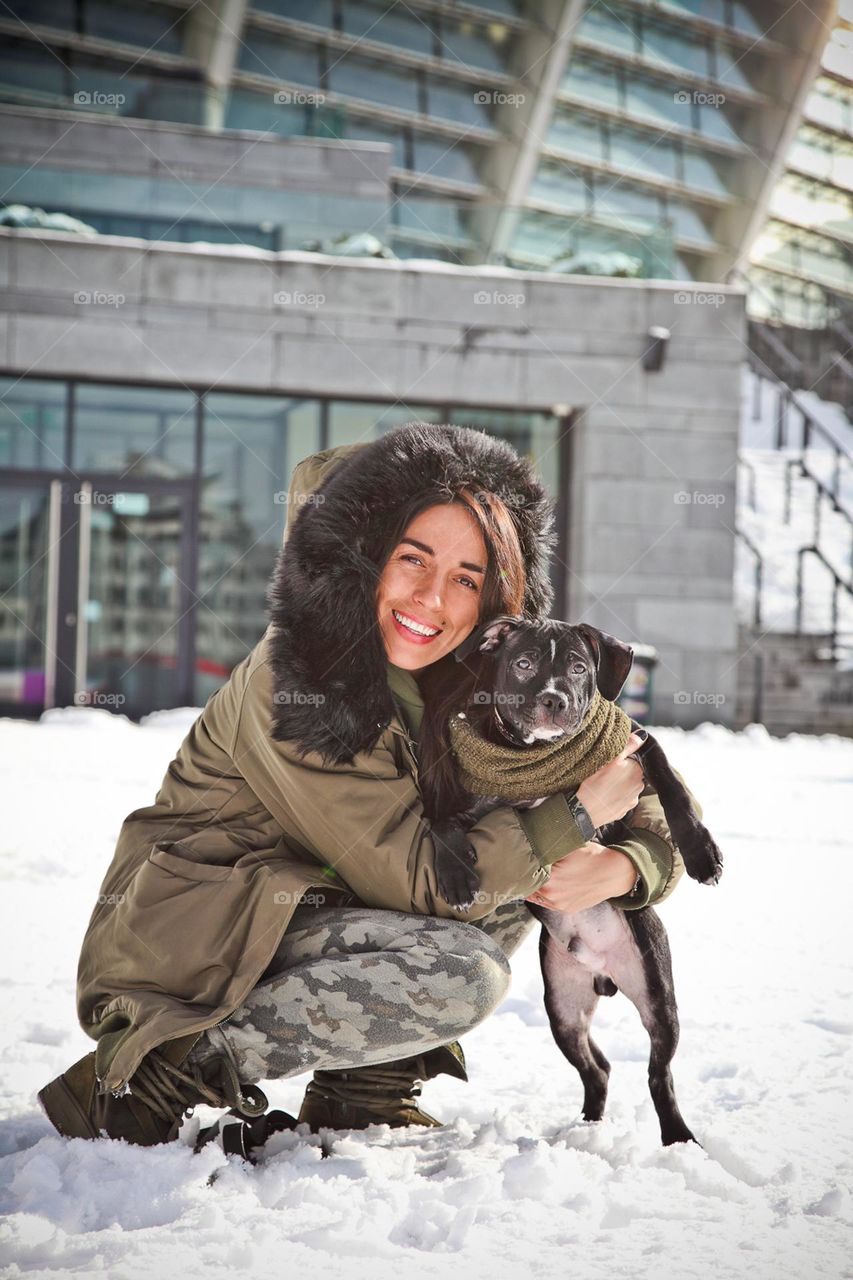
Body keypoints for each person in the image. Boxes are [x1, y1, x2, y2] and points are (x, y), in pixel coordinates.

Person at [38, 423, 696, 1155]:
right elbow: (420, 879)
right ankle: (148, 1078)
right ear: (350, 563)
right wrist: (568, 821)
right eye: (408, 560)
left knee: (509, 868)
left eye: (466, 577)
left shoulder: (478, 677)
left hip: (314, 909)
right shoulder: (294, 685)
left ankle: (362, 1094)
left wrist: (628, 862)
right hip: (198, 941)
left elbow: (626, 770)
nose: (431, 597)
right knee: (462, 966)